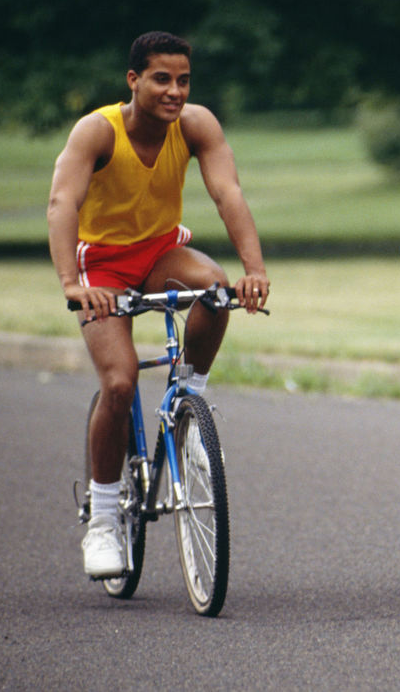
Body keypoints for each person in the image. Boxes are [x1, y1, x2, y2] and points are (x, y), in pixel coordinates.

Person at [47, 31, 270, 579]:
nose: (175, 91)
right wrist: (72, 283)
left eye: (183, 80)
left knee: (215, 289)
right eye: (161, 79)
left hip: (160, 252)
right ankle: (103, 520)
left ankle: (190, 404)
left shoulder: (196, 125)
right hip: (101, 266)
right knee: (120, 383)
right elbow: (63, 202)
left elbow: (228, 194)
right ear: (134, 80)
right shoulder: (98, 130)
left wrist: (255, 270)